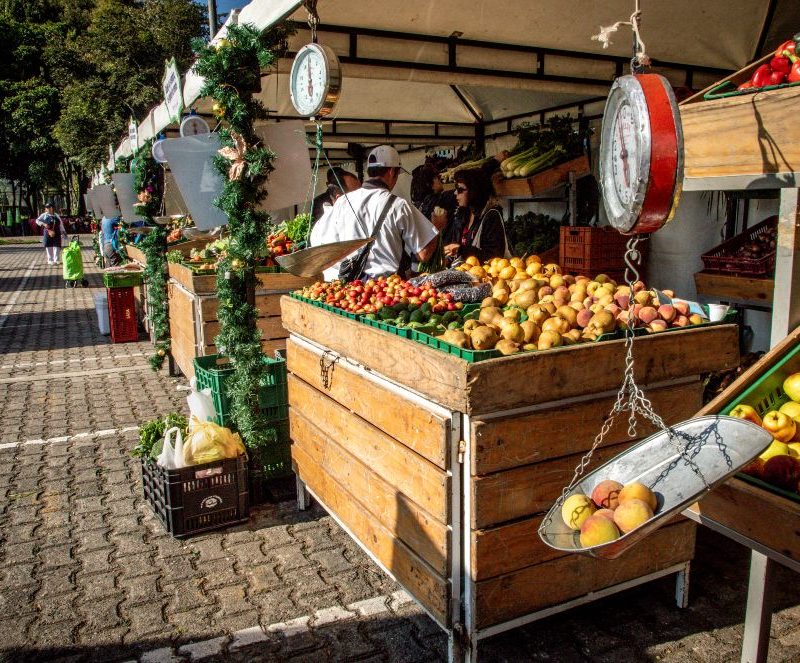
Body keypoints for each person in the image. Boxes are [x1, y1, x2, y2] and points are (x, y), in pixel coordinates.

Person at [323, 145, 444, 279]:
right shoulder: (398, 205)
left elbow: (327, 243)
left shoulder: (342, 202)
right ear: (392, 172)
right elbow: (423, 254)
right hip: (386, 289)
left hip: (351, 287)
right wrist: (437, 226)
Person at [444, 168, 510, 264]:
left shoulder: (491, 216)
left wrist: (461, 250)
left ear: (474, 191)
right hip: (464, 273)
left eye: (460, 189)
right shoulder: (461, 215)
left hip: (484, 275)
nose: (455, 193)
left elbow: (494, 256)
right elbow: (455, 247)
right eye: (456, 189)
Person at [35, 201, 67, 265]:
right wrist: (43, 224)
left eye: (49, 207)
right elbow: (37, 220)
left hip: (57, 232)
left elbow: (61, 224)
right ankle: (50, 260)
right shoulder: (44, 215)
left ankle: (57, 260)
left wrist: (63, 232)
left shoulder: (56, 215)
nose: (47, 209)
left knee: (57, 246)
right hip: (48, 232)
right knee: (48, 245)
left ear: (52, 208)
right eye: (46, 208)